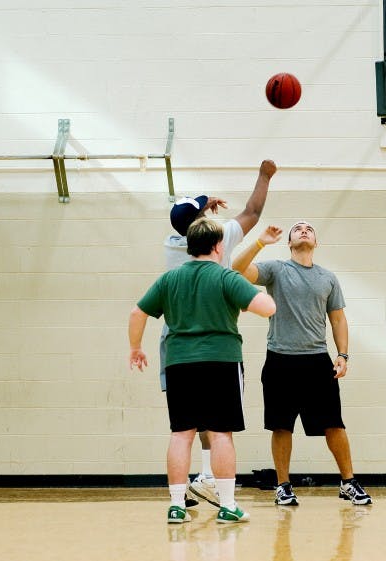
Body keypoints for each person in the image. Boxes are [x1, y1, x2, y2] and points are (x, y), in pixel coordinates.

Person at [129, 217, 277, 524]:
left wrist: (136, 348)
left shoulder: (169, 279)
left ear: (189, 248)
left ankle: (176, 506)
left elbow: (138, 312)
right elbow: (268, 308)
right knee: (221, 434)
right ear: (219, 246)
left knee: (181, 435)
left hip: (179, 363)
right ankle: (227, 506)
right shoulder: (225, 277)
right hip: (220, 362)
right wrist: (248, 299)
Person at [161, 159, 277, 507]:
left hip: (176, 345)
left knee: (184, 426)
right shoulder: (221, 238)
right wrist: (264, 175)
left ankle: (184, 493)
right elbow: (253, 211)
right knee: (218, 422)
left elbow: (139, 312)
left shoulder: (171, 244)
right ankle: (211, 479)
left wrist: (201, 208)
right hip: (216, 345)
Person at [232, 221, 372, 507]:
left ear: (316, 242)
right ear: (290, 242)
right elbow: (237, 269)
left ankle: (348, 482)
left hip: (317, 361)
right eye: (298, 229)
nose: (304, 231)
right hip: (280, 360)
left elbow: (338, 319)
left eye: (309, 229)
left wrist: (343, 355)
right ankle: (283, 486)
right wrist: (260, 242)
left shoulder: (328, 278)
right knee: (281, 426)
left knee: (335, 424)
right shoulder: (276, 269)